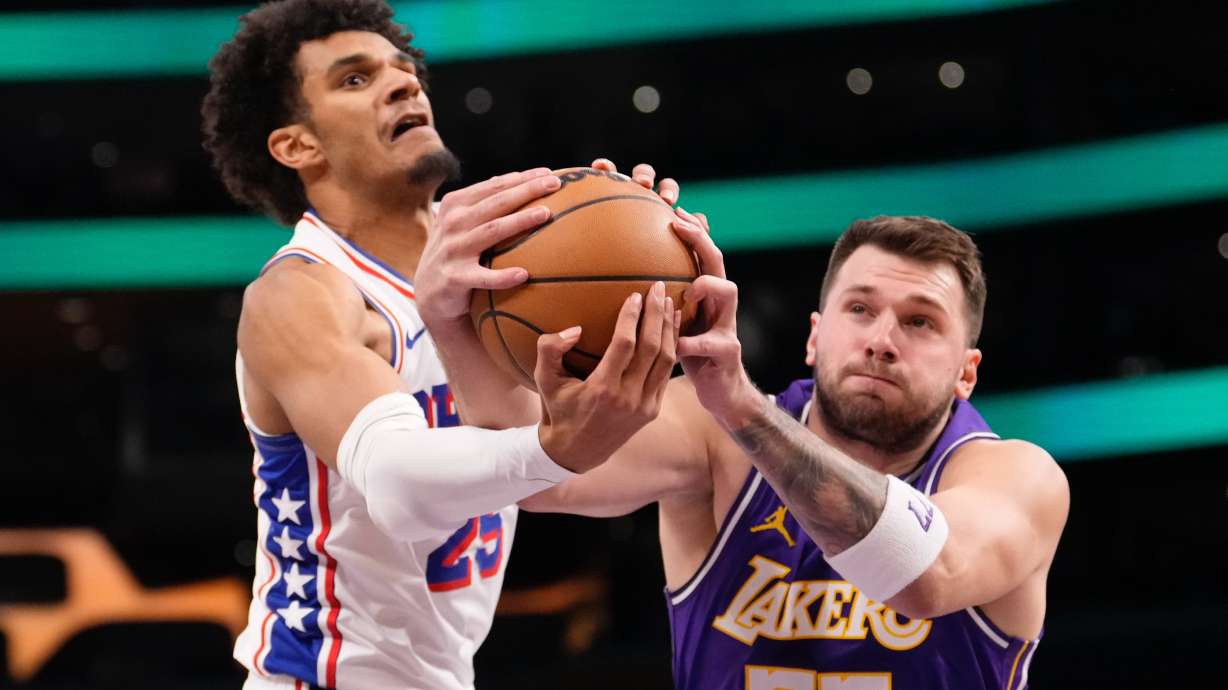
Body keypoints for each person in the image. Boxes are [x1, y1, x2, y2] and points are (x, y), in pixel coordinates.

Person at [200, 1, 681, 688]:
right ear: (297, 145)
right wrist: (553, 444)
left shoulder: (504, 276)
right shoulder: (301, 294)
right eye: (355, 80)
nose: (404, 84)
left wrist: (656, 266)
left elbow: (583, 478)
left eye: (403, 70)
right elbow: (398, 481)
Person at [418, 212, 1070, 690]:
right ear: (815, 338)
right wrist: (448, 318)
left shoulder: (1016, 476)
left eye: (920, 321)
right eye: (860, 309)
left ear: (967, 372)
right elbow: (534, 474)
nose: (881, 339)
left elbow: (926, 576)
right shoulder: (710, 437)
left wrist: (742, 408)